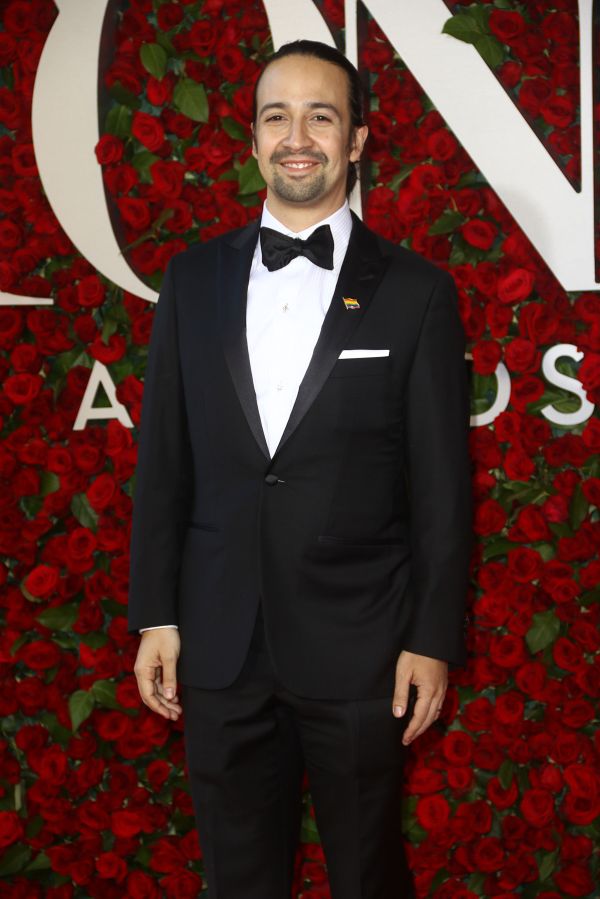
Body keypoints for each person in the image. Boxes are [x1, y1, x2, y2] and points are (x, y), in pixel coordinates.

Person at [128, 39, 473, 899]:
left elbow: (441, 489)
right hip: (219, 638)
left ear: (356, 141)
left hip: (362, 644)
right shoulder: (191, 280)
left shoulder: (417, 293)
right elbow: (164, 460)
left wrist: (431, 638)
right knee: (237, 879)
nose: (298, 136)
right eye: (277, 116)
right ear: (251, 139)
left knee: (367, 873)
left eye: (322, 115)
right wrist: (156, 614)